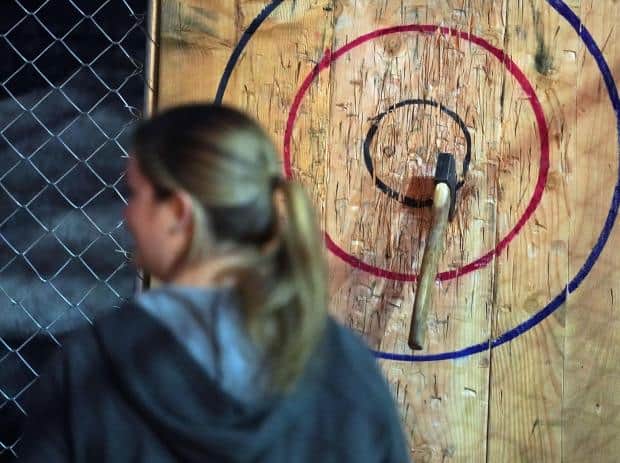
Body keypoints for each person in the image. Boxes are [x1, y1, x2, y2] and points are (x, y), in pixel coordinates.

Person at [16, 104, 410, 462]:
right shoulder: (345, 368)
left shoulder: (90, 370)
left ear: (178, 213)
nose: (126, 215)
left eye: (134, 194)